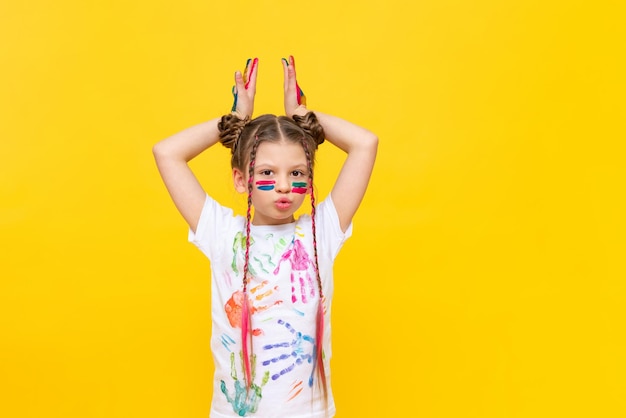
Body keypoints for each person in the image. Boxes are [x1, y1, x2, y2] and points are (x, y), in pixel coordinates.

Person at [153, 56, 378, 418]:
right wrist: (233, 123)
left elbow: (366, 144)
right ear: (241, 179)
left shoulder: (320, 231)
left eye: (298, 172)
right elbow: (167, 153)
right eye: (268, 172)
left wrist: (307, 118)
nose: (286, 185)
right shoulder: (221, 232)